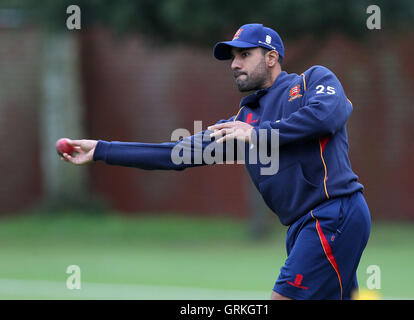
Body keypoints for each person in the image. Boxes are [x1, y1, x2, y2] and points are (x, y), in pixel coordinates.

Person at [61, 23, 371, 300]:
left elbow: (327, 115)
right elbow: (175, 154)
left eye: (244, 55)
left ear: (271, 58)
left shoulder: (310, 81)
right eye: (232, 58)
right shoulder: (240, 122)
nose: (235, 64)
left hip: (332, 213)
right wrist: (102, 149)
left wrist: (256, 134)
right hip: (303, 227)